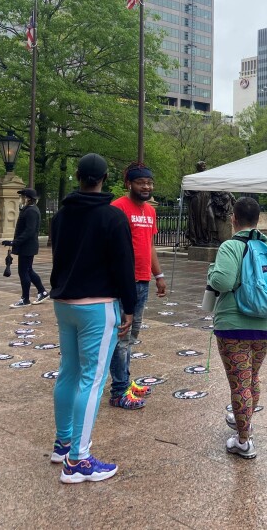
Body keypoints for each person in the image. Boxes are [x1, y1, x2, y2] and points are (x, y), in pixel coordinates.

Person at [49, 153, 137, 483]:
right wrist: (129, 306)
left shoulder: (60, 217)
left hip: (65, 302)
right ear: (104, 178)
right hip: (98, 306)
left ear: (77, 175)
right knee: (93, 378)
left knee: (68, 371)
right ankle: (78, 460)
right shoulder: (112, 217)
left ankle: (64, 443)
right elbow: (123, 266)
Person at [207, 197, 267, 459]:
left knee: (239, 384)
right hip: (266, 324)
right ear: (258, 219)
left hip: (233, 326)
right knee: (252, 377)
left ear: (233, 219)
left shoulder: (230, 246)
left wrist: (213, 270)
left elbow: (222, 282)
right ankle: (245, 420)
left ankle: (243, 440)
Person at [108, 162, 167, 411]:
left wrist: (159, 274)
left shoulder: (150, 212)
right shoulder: (117, 208)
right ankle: (119, 391)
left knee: (131, 337)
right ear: (129, 184)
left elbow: (149, 245)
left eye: (149, 183)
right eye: (141, 182)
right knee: (121, 336)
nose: (147, 186)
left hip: (142, 280)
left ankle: (126, 381)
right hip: (123, 282)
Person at [2, 188, 48, 308]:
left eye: (22, 197)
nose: (20, 199)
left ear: (27, 198)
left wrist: (14, 242)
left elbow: (29, 231)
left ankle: (25, 298)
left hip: (27, 246)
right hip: (27, 246)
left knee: (24, 271)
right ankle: (42, 292)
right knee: (28, 270)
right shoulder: (28, 209)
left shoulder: (31, 211)